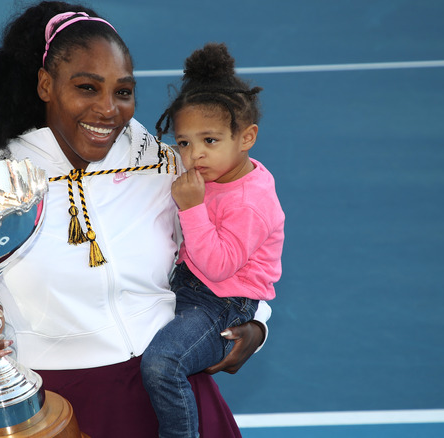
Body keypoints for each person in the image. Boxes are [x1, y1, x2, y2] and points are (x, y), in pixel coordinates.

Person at [0, 3, 272, 437]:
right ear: (45, 85)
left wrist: (257, 324)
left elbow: (242, 242)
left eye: (123, 91)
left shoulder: (164, 168)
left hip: (172, 393)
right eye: (87, 88)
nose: (108, 109)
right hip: (63, 408)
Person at [140, 43, 285, 438]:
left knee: (162, 364)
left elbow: (219, 265)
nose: (194, 155)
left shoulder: (251, 201)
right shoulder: (214, 174)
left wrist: (191, 209)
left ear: (247, 137)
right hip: (187, 286)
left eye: (210, 140)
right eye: (184, 143)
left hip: (223, 304)